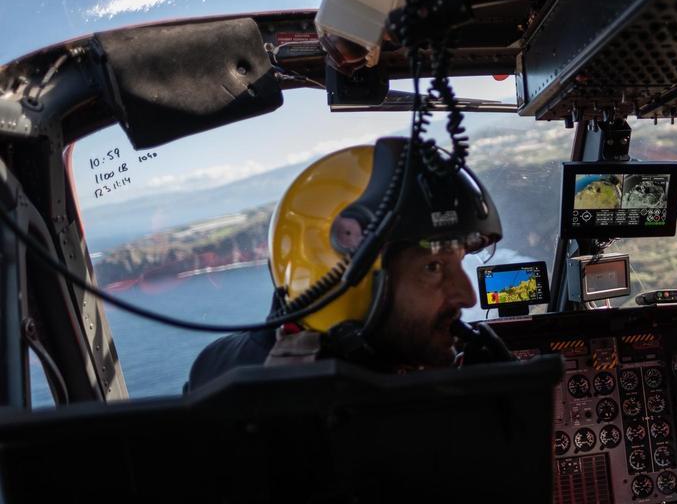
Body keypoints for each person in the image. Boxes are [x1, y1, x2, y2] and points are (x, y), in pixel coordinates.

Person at [186, 139, 500, 389]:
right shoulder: (321, 408)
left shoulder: (214, 363)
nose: (468, 297)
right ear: (347, 277)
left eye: (460, 262)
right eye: (433, 268)